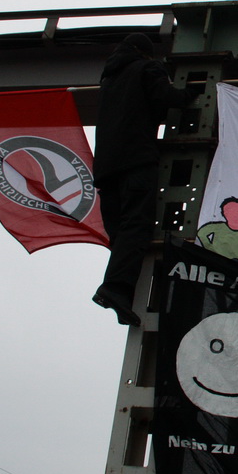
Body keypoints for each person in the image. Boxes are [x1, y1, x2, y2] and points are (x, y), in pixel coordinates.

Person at [92, 33, 196, 326]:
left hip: (106, 169)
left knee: (120, 232)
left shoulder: (109, 80)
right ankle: (115, 288)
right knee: (137, 225)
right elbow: (164, 97)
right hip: (136, 160)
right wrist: (190, 93)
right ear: (145, 53)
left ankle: (120, 292)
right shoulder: (147, 68)